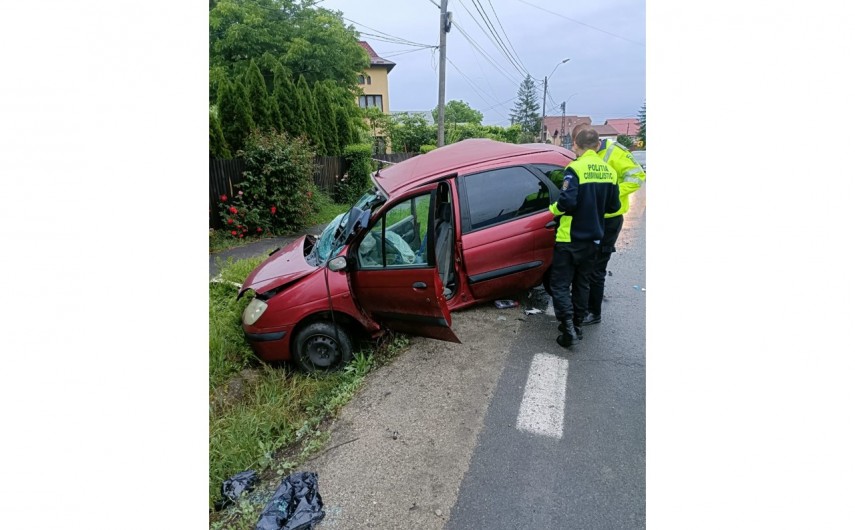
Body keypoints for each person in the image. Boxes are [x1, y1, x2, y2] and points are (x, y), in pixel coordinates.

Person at [549, 128, 621, 348]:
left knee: (560, 284)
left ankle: (567, 327)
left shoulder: (574, 169)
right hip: (594, 238)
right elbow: (614, 206)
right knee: (582, 283)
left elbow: (567, 203)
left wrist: (553, 209)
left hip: (569, 237)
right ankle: (578, 325)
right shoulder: (610, 172)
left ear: (575, 146)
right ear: (598, 145)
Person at [570, 123, 647, 326]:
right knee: (588, 262)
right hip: (592, 216)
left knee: (597, 266)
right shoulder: (587, 156)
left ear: (592, 142)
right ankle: (584, 302)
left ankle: (593, 312)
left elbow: (637, 176)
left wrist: (610, 193)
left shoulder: (615, 152)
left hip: (609, 217)